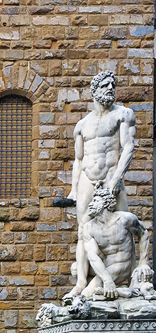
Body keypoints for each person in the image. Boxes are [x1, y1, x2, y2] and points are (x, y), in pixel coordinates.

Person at [64, 70, 136, 300]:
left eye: (112, 85)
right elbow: (78, 159)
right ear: (94, 90)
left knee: (124, 225)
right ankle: (81, 283)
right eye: (105, 85)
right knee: (83, 230)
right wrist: (74, 190)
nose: (110, 89)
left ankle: (133, 278)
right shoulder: (82, 125)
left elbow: (128, 148)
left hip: (111, 175)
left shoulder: (123, 115)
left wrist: (116, 180)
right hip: (87, 178)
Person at [79, 186, 153, 299]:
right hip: (103, 268)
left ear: (105, 203)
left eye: (95, 201)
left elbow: (143, 233)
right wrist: (107, 280)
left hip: (123, 265)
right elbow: (92, 256)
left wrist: (143, 262)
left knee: (87, 294)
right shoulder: (89, 228)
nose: (90, 204)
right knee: (76, 269)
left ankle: (89, 296)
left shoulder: (125, 219)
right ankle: (116, 291)